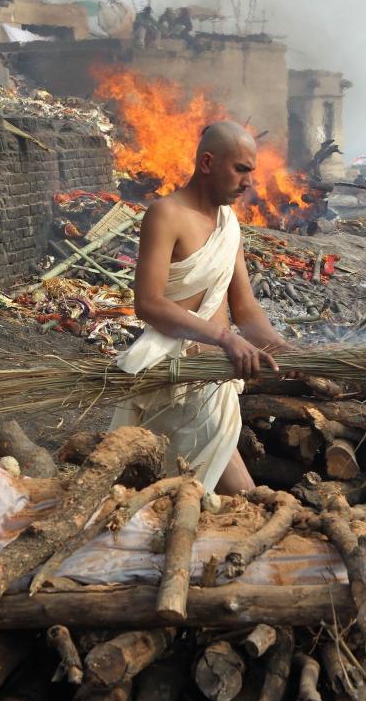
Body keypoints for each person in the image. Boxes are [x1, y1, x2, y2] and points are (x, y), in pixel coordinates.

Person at [109, 121, 292, 495]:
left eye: (251, 172)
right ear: (208, 162)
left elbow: (245, 309)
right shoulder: (166, 214)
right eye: (241, 169)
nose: (248, 182)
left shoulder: (230, 224)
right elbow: (148, 303)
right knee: (242, 494)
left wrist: (283, 348)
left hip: (214, 378)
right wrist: (224, 339)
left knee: (200, 494)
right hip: (177, 375)